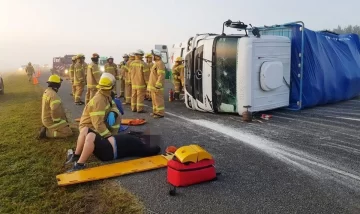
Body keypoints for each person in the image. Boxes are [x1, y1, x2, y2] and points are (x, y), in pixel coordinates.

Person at [65, 130, 161, 171]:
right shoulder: (136, 136)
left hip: (109, 152)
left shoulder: (141, 146)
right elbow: (139, 133)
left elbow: (155, 150)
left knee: (90, 136)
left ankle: (79, 165)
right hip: (106, 144)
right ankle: (76, 156)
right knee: (85, 129)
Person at [78, 73, 121, 139]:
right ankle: (111, 138)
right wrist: (109, 137)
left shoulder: (106, 95)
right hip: (89, 128)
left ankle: (114, 135)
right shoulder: (99, 101)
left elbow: (113, 106)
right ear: (112, 87)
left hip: (95, 125)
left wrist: (113, 112)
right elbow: (98, 124)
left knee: (117, 116)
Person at [38, 75, 73, 139]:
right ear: (57, 84)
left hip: (46, 119)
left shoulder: (47, 91)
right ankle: (47, 133)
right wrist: (58, 121)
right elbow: (54, 110)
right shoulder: (54, 96)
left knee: (66, 125)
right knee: (68, 132)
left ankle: (47, 128)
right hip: (51, 121)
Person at [147, 49, 165, 118]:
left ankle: (160, 113)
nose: (152, 57)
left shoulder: (160, 63)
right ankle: (155, 112)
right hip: (153, 86)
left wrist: (158, 85)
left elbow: (161, 75)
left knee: (158, 100)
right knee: (154, 100)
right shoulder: (156, 63)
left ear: (157, 56)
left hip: (157, 86)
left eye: (153, 55)